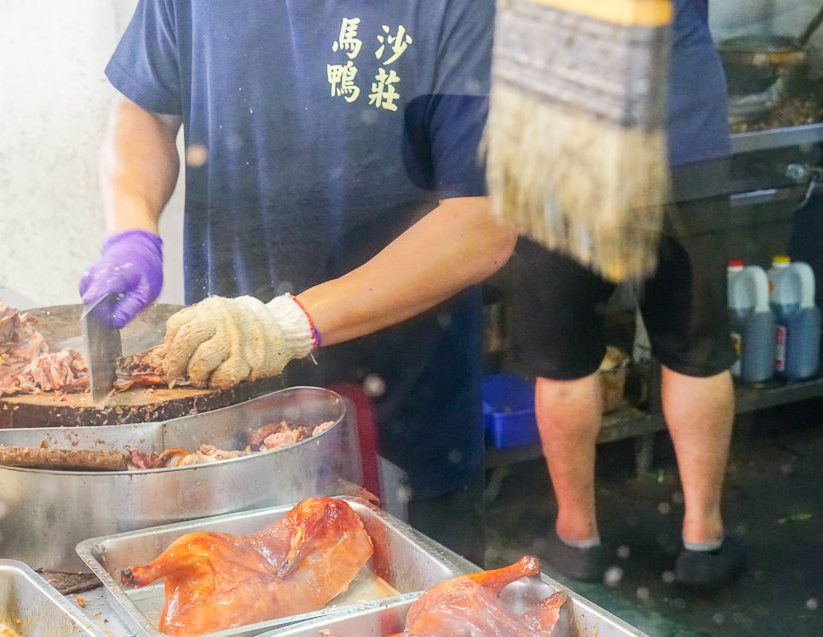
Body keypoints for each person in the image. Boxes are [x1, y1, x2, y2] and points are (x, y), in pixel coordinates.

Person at [78, 0, 517, 563]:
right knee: (230, 616)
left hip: (395, 423)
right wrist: (132, 230)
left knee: (408, 631)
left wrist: (287, 323)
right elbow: (144, 112)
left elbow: (484, 223)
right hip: (222, 409)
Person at [509, 0, 745, 588]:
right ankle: (703, 541)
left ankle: (577, 537)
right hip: (682, 126)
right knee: (695, 347)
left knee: (565, 359)